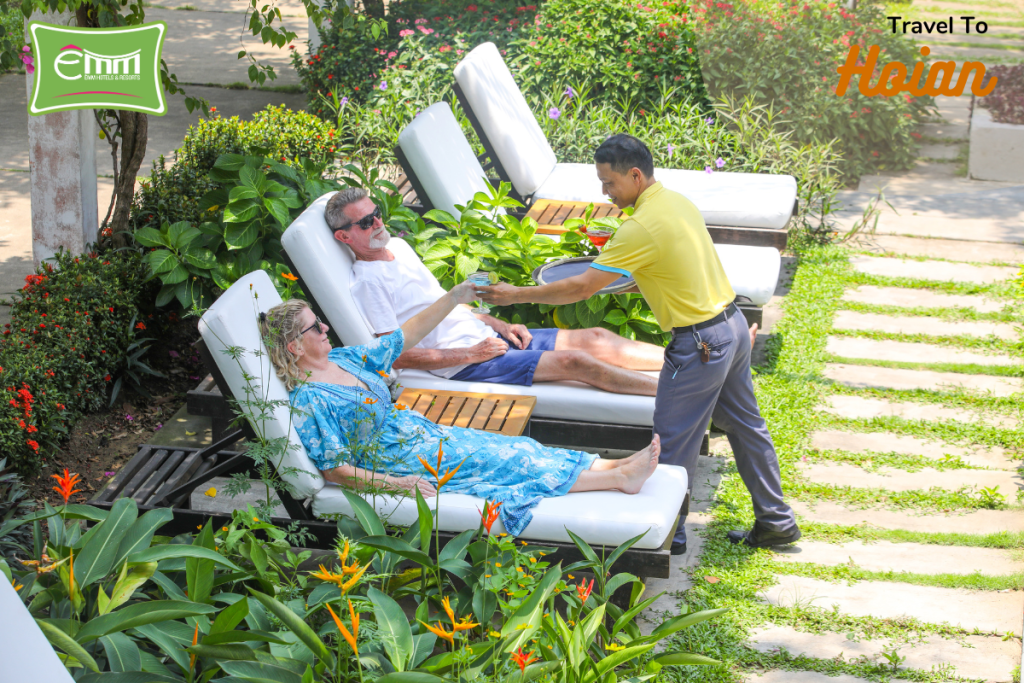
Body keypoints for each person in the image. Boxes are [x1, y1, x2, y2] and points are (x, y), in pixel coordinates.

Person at [477, 134, 800, 554]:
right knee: (747, 427)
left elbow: (579, 288)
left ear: (634, 174)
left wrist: (513, 295)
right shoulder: (675, 202)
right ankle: (775, 521)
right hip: (732, 327)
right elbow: (666, 269)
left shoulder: (639, 226)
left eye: (609, 184)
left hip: (700, 343)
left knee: (668, 444)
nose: (606, 194)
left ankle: (668, 537)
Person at [259, 289, 662, 537]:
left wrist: (452, 298)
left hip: (427, 437)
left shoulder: (346, 359)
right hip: (404, 462)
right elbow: (336, 471)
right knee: (507, 463)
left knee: (515, 445)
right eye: (315, 328)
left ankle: (611, 466)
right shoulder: (311, 400)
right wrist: (400, 485)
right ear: (295, 347)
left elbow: (403, 337)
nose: (326, 328)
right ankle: (620, 480)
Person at [326, 187, 666, 396]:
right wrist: (469, 355)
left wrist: (497, 324)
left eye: (377, 215)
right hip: (463, 362)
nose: (378, 224)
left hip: (484, 338)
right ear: (344, 237)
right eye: (366, 223)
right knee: (577, 362)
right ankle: (675, 394)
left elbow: (440, 305)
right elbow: (392, 355)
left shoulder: (399, 249)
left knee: (594, 337)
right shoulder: (368, 282)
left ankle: (684, 368)